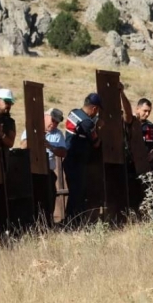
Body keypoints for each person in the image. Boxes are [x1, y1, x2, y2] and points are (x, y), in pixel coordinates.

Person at [62, 93, 104, 223]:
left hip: (69, 159)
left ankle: (71, 221)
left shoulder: (73, 113)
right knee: (78, 195)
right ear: (94, 108)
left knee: (74, 193)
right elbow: (96, 142)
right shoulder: (87, 122)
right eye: (97, 110)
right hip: (78, 163)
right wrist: (100, 129)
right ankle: (73, 222)